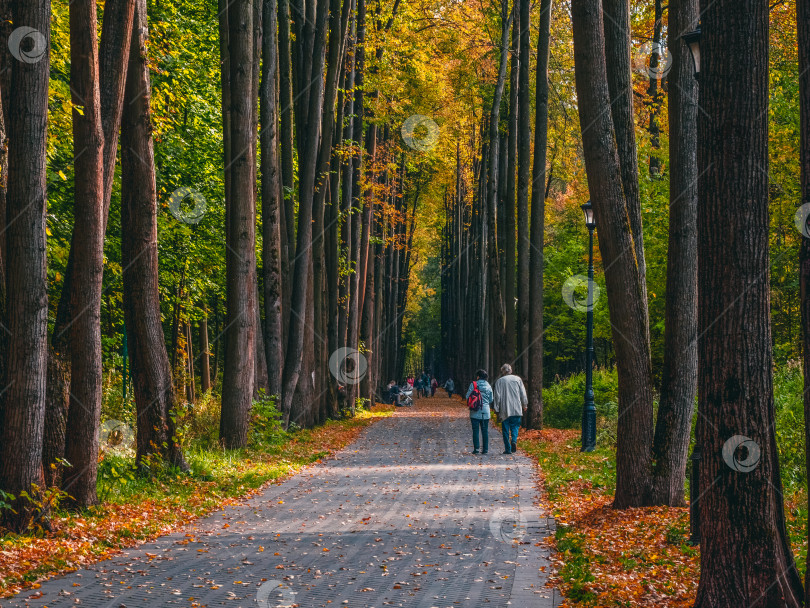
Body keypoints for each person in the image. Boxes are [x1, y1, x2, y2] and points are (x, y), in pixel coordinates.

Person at [492, 363, 528, 455]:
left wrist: (496, 408)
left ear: (503, 371)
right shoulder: (518, 379)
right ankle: (514, 441)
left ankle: (508, 449)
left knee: (505, 430)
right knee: (515, 427)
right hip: (516, 408)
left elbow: (497, 396)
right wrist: (524, 405)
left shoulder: (499, 381)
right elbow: (522, 393)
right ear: (511, 370)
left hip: (505, 409)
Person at [466, 369, 493, 455]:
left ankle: (476, 449)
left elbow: (467, 396)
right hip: (485, 412)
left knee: (475, 430)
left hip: (475, 411)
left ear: (478, 377)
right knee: (485, 430)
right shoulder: (489, 386)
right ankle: (485, 449)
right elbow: (491, 399)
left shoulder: (473, 384)